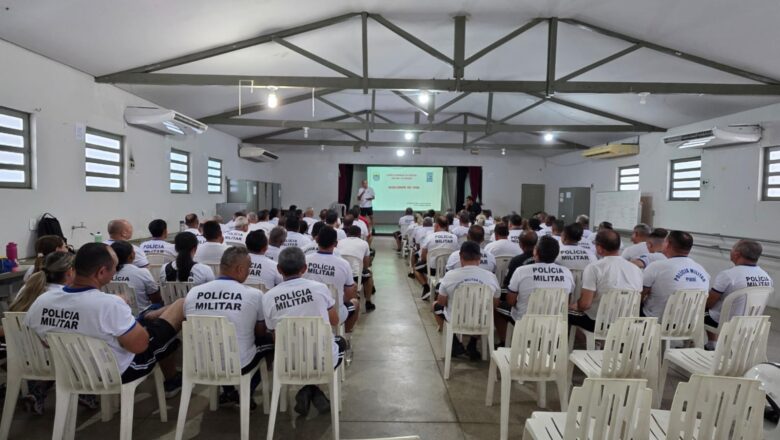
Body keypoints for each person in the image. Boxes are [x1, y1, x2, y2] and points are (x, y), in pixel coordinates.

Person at [25, 243, 184, 396]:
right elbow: (140, 346)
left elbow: (46, 342)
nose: (116, 271)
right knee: (176, 311)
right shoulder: (109, 304)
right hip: (117, 372)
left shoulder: (42, 301)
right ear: (101, 272)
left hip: (72, 370)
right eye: (115, 267)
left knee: (149, 326)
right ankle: (173, 378)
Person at [184, 246, 272, 408]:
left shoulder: (193, 293)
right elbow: (259, 333)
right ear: (239, 269)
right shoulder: (254, 295)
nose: (249, 272)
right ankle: (245, 393)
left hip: (200, 363)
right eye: (248, 268)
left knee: (219, 343)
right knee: (270, 344)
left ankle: (229, 391)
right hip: (238, 365)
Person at [262, 247, 346, 416]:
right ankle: (311, 390)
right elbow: (335, 321)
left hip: (288, 362)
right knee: (341, 342)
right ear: (304, 268)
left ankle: (308, 390)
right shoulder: (320, 288)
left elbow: (274, 334)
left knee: (299, 354)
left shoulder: (268, 296)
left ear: (279, 270)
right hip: (323, 360)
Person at [10, 251, 74, 414]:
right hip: (53, 359)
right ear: (70, 272)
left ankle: (35, 394)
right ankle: (86, 393)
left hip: (21, 356)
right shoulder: (65, 296)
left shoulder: (28, 288)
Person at [495, 236, 574, 345]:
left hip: (524, 321)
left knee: (496, 306)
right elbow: (566, 301)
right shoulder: (567, 272)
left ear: (535, 252)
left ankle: (504, 342)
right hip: (554, 322)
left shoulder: (521, 271)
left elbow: (510, 301)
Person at [434, 241, 500, 359]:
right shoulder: (491, 276)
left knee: (435, 306)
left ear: (460, 257)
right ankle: (472, 344)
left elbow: (441, 303)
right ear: (479, 257)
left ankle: (455, 343)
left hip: (456, 319)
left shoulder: (450, 276)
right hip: (482, 321)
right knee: (483, 311)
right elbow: (494, 304)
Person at [568, 229, 643, 333]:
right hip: (626, 324)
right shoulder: (635, 269)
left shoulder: (594, 268)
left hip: (598, 323)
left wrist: (575, 305)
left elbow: (585, 305)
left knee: (566, 313)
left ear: (599, 248)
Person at [705, 239, 773, 348]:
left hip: (726, 323)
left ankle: (709, 344)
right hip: (750, 323)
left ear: (737, 254)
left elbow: (709, 303)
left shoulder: (728, 275)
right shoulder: (767, 277)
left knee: (701, 308)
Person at [641, 230, 709, 318]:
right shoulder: (702, 270)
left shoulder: (656, 266)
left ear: (667, 244)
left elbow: (640, 294)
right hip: (688, 324)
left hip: (656, 323)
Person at [305, 226, 359, 333]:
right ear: (336, 243)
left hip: (308, 310)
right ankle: (344, 335)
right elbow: (349, 295)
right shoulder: (343, 265)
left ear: (317, 240)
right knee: (355, 303)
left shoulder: (305, 261)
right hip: (335, 313)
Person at [415, 216, 459, 300]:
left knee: (416, 268)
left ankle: (426, 287)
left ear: (436, 225)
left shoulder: (430, 237)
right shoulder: (454, 237)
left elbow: (423, 257)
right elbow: (456, 254)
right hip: (448, 270)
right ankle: (438, 290)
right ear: (447, 226)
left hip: (433, 270)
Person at [110, 241, 161, 309]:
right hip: (142, 315)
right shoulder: (142, 272)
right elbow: (156, 299)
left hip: (115, 313)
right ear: (131, 255)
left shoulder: (105, 275)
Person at [338, 225, 376, 311]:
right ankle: (368, 302)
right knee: (368, 274)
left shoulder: (340, 242)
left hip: (341, 275)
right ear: (359, 235)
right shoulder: (364, 243)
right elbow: (366, 264)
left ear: (347, 233)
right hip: (356, 276)